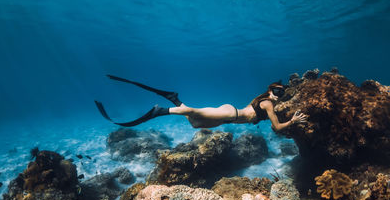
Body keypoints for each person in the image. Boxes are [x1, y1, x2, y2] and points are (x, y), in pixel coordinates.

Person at [95, 75, 307, 130]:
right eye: (276, 91)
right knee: (192, 112)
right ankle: (161, 110)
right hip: (230, 115)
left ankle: (174, 99)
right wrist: (293, 121)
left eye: (282, 92)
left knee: (194, 123)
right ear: (270, 91)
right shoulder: (268, 104)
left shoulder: (264, 100)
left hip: (229, 116)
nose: (279, 95)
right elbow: (277, 128)